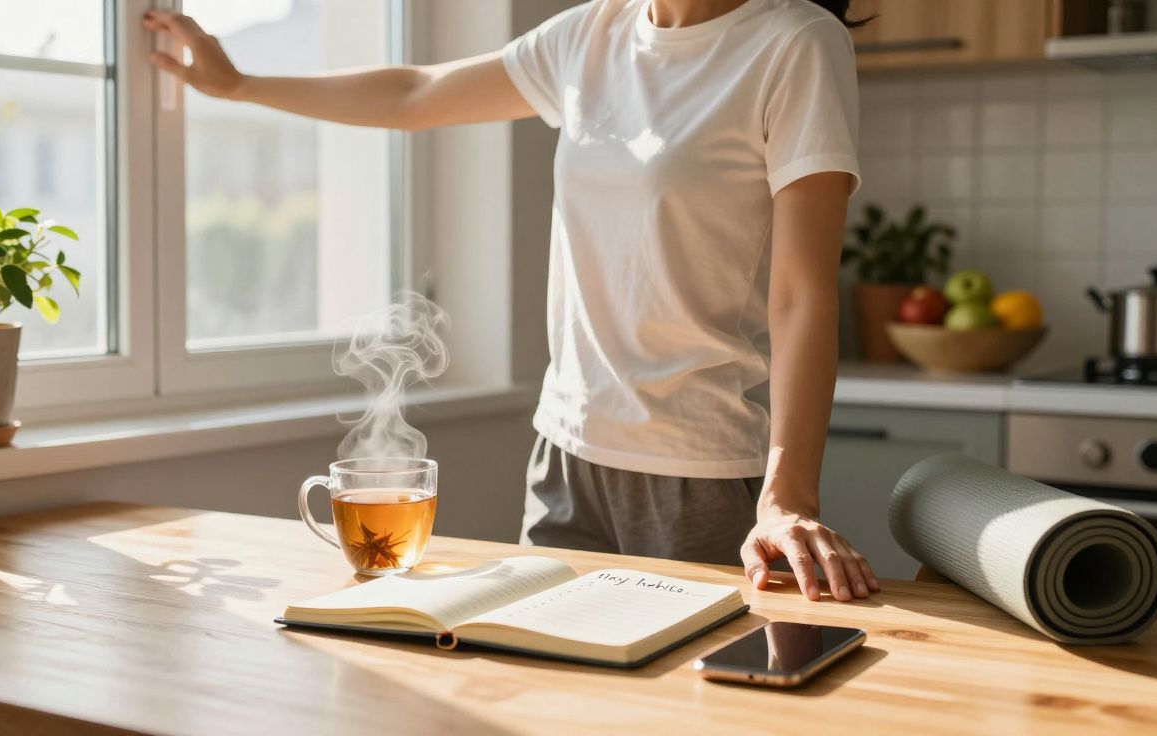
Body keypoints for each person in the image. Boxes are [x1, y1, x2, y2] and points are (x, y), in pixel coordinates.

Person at [144, 0, 879, 603]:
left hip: (700, 473)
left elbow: (801, 294)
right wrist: (239, 85)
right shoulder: (591, 35)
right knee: (542, 699)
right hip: (564, 460)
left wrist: (787, 497)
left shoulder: (794, 44)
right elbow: (415, 95)